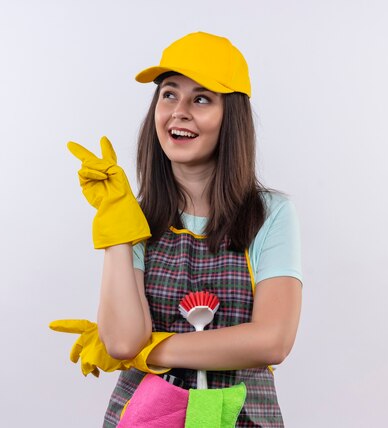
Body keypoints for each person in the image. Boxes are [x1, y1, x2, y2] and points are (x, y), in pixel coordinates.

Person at [54, 31, 303, 427]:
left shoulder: (268, 214)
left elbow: (272, 341)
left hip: (240, 416)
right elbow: (121, 341)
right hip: (146, 416)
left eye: (201, 98)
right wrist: (117, 224)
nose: (179, 110)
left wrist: (151, 351)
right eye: (169, 94)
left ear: (231, 116)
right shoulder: (135, 218)